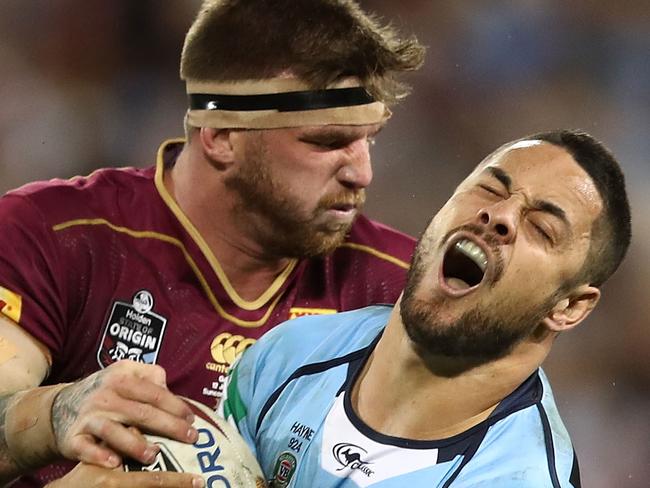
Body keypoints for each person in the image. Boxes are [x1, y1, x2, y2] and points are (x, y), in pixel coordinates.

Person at [0, 1, 425, 486]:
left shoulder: (394, 289)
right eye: (327, 143)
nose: (362, 173)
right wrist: (55, 412)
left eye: (369, 140)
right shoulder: (57, 235)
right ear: (221, 135)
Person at [220, 129, 632, 487]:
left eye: (542, 228)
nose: (500, 214)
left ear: (570, 306)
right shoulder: (287, 357)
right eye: (490, 189)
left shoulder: (517, 477)